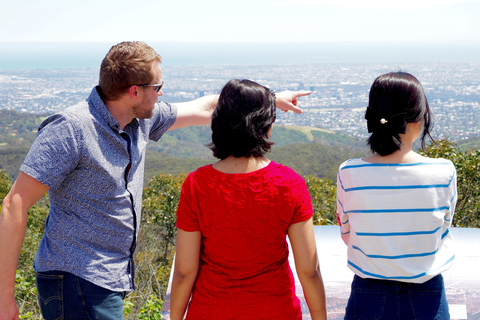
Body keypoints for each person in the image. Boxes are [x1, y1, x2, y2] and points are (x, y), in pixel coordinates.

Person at [0, 42, 307, 320]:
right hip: (76, 277)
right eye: (158, 86)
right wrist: (4, 299)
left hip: (107, 277)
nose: (162, 93)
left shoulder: (139, 121)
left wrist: (270, 99)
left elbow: (208, 107)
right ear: (134, 91)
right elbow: (15, 204)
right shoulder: (71, 129)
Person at [170, 79, 327, 320]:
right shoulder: (289, 183)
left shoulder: (197, 185)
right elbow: (309, 271)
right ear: (267, 125)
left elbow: (184, 271)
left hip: (211, 311)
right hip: (276, 311)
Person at [336, 72, 457, 319]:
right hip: (428, 297)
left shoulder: (349, 172)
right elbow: (442, 229)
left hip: (367, 296)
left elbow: (347, 235)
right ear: (421, 118)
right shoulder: (443, 171)